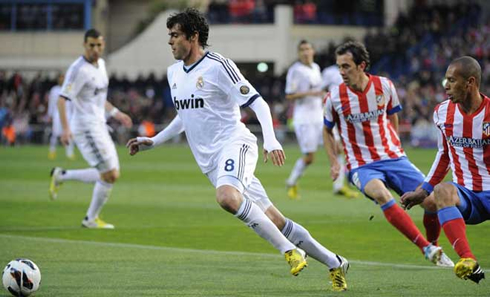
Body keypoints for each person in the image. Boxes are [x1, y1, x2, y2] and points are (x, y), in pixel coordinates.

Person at [126, 8, 349, 291]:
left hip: (236, 144)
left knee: (227, 198)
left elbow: (258, 103)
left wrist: (270, 139)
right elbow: (185, 115)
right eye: (169, 36)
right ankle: (335, 262)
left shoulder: (219, 65)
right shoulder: (173, 74)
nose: (170, 42)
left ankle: (290, 251)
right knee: (275, 219)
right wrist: (154, 141)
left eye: (175, 35)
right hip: (210, 162)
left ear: (193, 37)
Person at [323, 41, 454, 266]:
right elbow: (326, 130)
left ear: (361, 65)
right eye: (339, 67)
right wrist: (334, 162)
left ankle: (435, 246)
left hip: (393, 157)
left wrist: (395, 143)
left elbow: (392, 116)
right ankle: (426, 248)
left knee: (431, 202)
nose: (342, 72)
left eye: (346, 66)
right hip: (361, 164)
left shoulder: (384, 86)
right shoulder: (334, 97)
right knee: (381, 193)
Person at [401, 56, 487, 284]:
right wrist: (423, 190)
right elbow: (444, 155)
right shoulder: (442, 113)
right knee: (440, 192)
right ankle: (468, 260)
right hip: (468, 196)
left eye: (451, 80)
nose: (445, 87)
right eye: (445, 80)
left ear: (470, 82)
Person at [49, 29, 133, 229]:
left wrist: (116, 113)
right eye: (91, 45)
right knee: (110, 174)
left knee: (111, 173)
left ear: (103, 45)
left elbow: (99, 97)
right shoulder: (78, 70)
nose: (96, 49)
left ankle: (61, 176)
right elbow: (62, 101)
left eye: (99, 45)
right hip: (85, 127)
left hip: (100, 125)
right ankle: (90, 219)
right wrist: (65, 129)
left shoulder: (101, 65)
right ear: (85, 46)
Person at [284, 40, 327, 200]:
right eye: (302, 49)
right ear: (298, 53)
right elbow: (289, 94)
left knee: (338, 148)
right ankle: (291, 182)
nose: (305, 52)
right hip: (304, 118)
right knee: (309, 157)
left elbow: (319, 90)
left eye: (308, 49)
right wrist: (309, 93)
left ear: (313, 51)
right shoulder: (295, 70)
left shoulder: (316, 68)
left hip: (319, 115)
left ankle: (341, 185)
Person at [322, 63, 359, 199]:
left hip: (350, 113)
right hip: (335, 112)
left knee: (349, 148)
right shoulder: (329, 72)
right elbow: (322, 89)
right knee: (338, 148)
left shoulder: (356, 72)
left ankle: (346, 181)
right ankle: (340, 185)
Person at [47, 73, 75, 160]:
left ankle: (69, 153)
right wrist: (50, 114)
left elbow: (73, 102)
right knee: (55, 133)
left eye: (63, 78)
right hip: (57, 114)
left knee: (69, 134)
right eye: (60, 78)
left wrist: (74, 114)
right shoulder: (54, 90)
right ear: (58, 79)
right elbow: (51, 103)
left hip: (68, 113)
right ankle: (52, 151)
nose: (62, 80)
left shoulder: (69, 88)